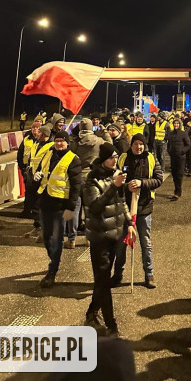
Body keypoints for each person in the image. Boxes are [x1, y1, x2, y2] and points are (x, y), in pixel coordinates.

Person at [83, 142, 137, 335]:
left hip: (115, 234)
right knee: (104, 281)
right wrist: (114, 187)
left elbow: (121, 202)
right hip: (99, 237)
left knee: (102, 280)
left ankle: (91, 312)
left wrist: (130, 223)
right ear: (103, 159)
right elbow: (95, 207)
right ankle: (111, 324)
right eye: (111, 157)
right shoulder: (91, 180)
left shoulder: (116, 175)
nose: (115, 160)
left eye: (116, 157)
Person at [114, 133, 163, 288]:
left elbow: (159, 179)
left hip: (144, 207)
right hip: (124, 207)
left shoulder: (151, 158)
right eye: (135, 143)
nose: (138, 147)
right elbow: (114, 179)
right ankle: (117, 274)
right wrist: (126, 185)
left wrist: (142, 183)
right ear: (131, 144)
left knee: (145, 242)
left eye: (141, 144)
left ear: (144, 145)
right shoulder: (122, 158)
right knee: (121, 243)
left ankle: (149, 274)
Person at [35, 130, 82, 287]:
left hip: (61, 205)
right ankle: (53, 258)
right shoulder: (49, 154)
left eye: (62, 141)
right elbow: (41, 170)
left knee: (57, 239)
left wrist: (71, 207)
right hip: (46, 201)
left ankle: (52, 271)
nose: (59, 143)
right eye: (57, 141)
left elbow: (76, 186)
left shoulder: (73, 159)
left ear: (67, 143)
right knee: (47, 237)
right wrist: (36, 175)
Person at [67, 118, 112, 248]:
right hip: (92, 178)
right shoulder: (98, 141)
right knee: (90, 210)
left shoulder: (75, 142)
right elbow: (110, 146)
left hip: (77, 177)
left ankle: (71, 239)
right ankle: (89, 238)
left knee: (75, 209)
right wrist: (104, 132)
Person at [17, 118, 43, 217]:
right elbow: (20, 154)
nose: (35, 130)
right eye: (33, 127)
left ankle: (36, 211)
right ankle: (26, 210)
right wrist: (22, 167)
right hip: (27, 169)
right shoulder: (26, 139)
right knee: (28, 191)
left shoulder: (42, 141)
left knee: (37, 191)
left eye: (37, 128)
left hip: (38, 170)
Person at [166, 118, 190, 200]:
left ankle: (178, 192)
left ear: (180, 124)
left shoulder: (183, 133)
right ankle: (176, 190)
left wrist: (182, 151)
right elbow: (168, 144)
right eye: (174, 123)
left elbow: (188, 144)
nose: (176, 125)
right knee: (174, 174)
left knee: (179, 174)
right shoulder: (171, 133)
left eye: (177, 123)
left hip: (181, 157)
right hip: (173, 156)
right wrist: (169, 151)